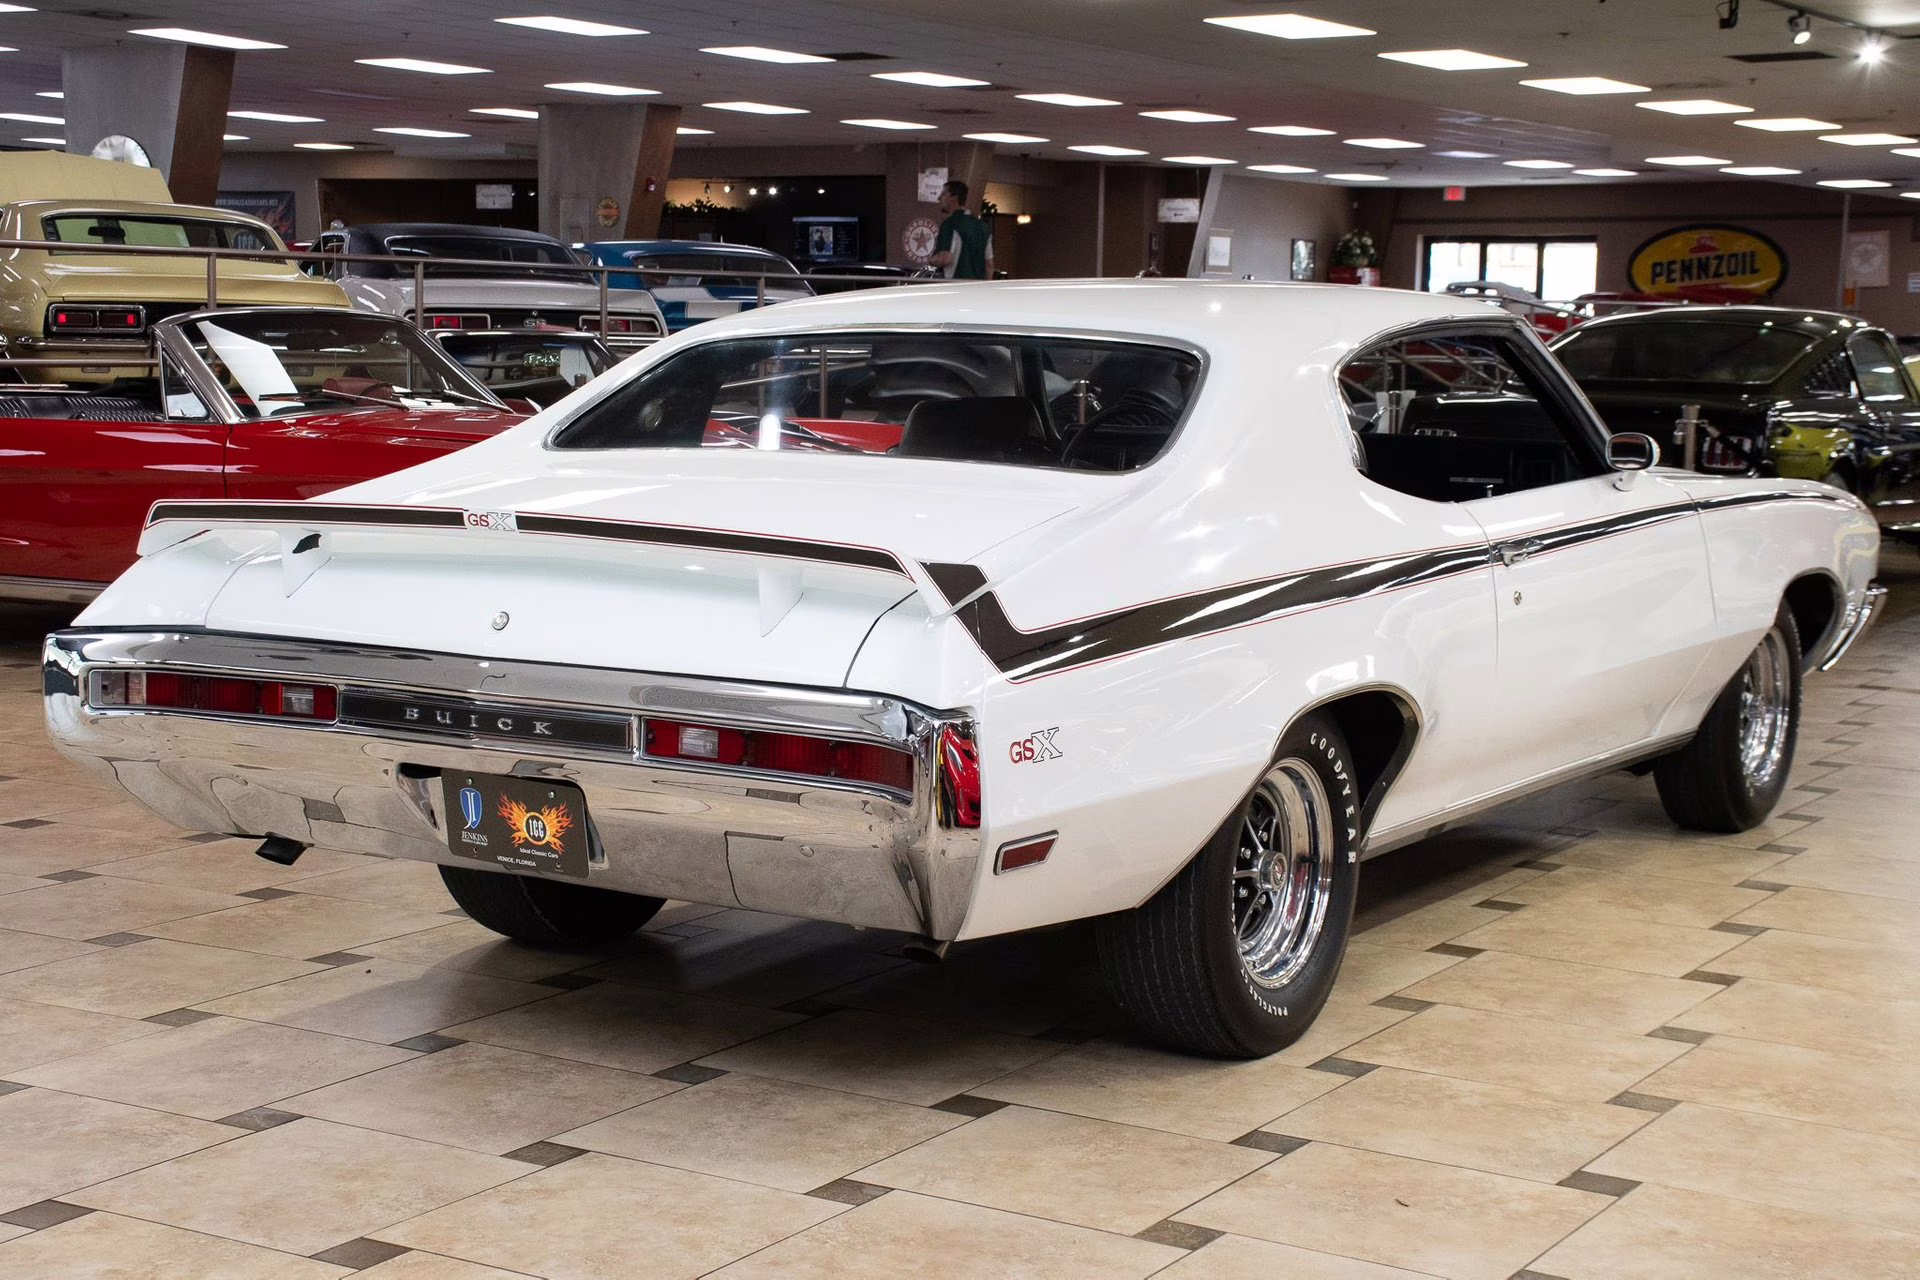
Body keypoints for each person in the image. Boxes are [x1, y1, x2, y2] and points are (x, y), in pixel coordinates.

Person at [930, 180, 994, 280]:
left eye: (943, 194)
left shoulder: (950, 224)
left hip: (955, 286)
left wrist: (931, 260)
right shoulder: (983, 227)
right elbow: (989, 266)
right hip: (978, 289)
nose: (939, 198)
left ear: (954, 198)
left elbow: (945, 258)